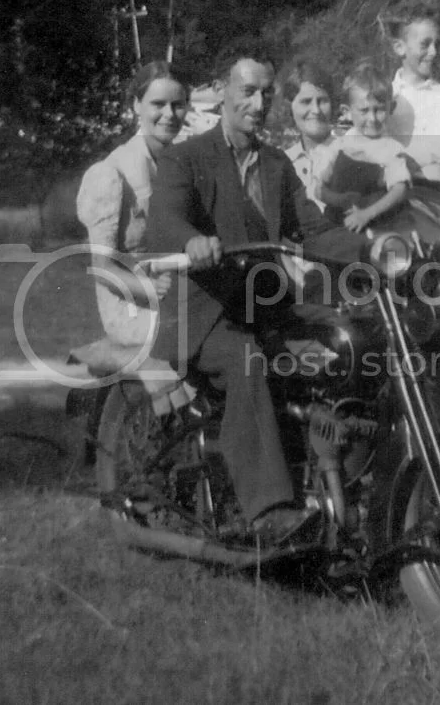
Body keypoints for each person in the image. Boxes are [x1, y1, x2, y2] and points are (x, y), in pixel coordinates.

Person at [147, 44, 364, 541]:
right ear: (224, 93)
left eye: (266, 93)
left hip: (264, 305)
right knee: (247, 360)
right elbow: (164, 221)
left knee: (345, 339)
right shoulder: (187, 159)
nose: (258, 102)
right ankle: (268, 512)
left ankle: (345, 480)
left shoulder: (274, 164)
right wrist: (192, 241)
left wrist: (374, 252)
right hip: (206, 315)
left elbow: (311, 229)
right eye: (248, 91)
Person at [76, 61, 188, 346]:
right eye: (158, 104)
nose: (169, 115)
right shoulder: (111, 174)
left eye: (178, 105)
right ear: (137, 105)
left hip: (180, 294)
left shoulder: (185, 163)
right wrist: (151, 288)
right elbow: (103, 269)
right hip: (130, 307)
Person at [384, 1, 440, 199]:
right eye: (425, 44)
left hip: (438, 196)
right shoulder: (387, 97)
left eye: (437, 44)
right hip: (394, 199)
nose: (433, 52)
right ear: (399, 47)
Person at [314, 62, 413, 233]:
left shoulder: (390, 149)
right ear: (347, 111)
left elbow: (399, 189)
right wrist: (339, 199)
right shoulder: (340, 144)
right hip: (337, 222)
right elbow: (318, 188)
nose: (372, 118)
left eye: (379, 110)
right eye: (364, 110)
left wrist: (367, 214)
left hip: (376, 225)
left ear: (391, 109)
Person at [282, 59, 337, 210]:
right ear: (290, 107)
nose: (316, 110)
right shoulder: (283, 162)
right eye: (306, 102)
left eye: (322, 101)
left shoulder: (347, 154)